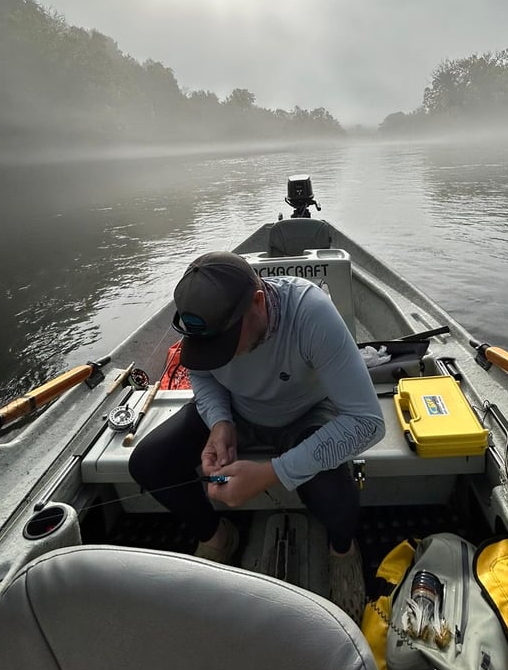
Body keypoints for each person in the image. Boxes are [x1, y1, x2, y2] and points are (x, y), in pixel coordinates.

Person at [129, 250, 386, 621]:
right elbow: (200, 371)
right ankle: (216, 535)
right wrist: (220, 422)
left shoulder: (310, 314)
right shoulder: (208, 338)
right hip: (236, 411)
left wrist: (271, 473)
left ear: (258, 302)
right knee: (150, 463)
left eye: (226, 341)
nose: (220, 355)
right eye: (208, 346)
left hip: (305, 413)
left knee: (334, 497)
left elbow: (366, 422)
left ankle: (343, 551)